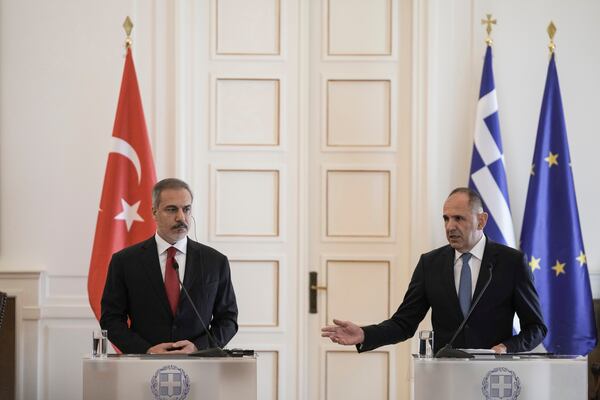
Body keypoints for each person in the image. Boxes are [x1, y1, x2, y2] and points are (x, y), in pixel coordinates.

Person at [321, 187, 547, 354]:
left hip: (494, 377)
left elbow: (536, 328)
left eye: (458, 218)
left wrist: (506, 347)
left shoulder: (511, 262)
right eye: (446, 218)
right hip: (445, 377)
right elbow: (404, 323)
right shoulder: (430, 264)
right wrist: (364, 334)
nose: (450, 226)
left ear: (481, 221)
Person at [100, 178, 238, 354]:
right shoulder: (125, 261)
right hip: (143, 367)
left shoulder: (215, 262)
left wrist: (198, 347)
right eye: (171, 209)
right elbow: (111, 319)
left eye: (186, 209)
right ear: (154, 212)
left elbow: (228, 320)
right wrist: (146, 350)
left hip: (200, 366)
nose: (181, 217)